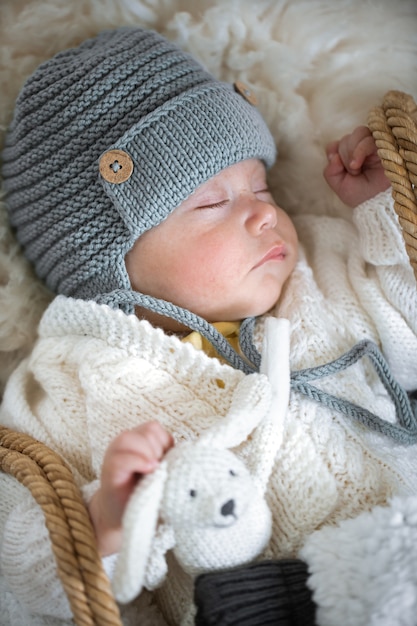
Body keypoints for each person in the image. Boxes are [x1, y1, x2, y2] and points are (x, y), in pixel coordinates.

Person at [0, 25, 416, 626]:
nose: (267, 213)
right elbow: (18, 578)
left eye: (260, 185)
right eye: (213, 203)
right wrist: (105, 520)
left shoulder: (322, 273)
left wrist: (385, 211)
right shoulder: (69, 383)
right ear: (108, 263)